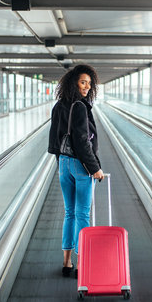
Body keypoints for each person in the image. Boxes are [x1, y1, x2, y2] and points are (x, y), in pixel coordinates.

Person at [48, 64, 104, 277]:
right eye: (83, 82)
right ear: (73, 82)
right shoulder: (80, 107)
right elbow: (83, 142)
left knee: (69, 213)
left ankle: (66, 262)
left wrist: (61, 164)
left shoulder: (58, 106)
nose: (87, 87)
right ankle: (82, 264)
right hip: (81, 166)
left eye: (89, 84)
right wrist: (95, 168)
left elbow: (54, 140)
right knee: (82, 214)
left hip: (63, 164)